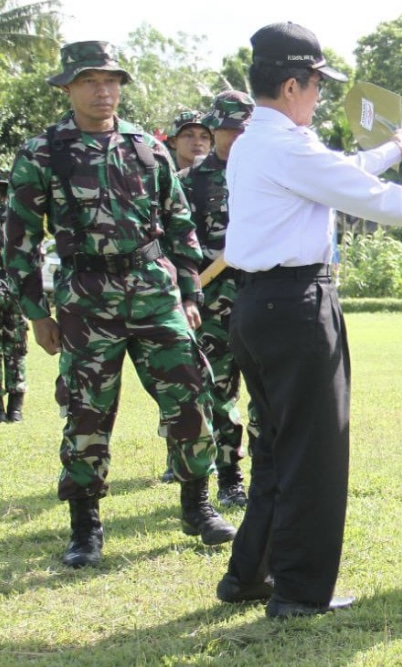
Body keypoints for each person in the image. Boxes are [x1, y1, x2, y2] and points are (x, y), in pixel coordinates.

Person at [214, 22, 402, 618]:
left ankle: (250, 574)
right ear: (293, 85)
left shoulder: (255, 141)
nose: (319, 98)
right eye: (316, 86)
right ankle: (299, 591)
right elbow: (373, 198)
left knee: (276, 449)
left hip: (258, 305)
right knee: (313, 452)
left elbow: (338, 171)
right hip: (295, 306)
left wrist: (393, 151)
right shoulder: (289, 147)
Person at [5, 40, 236, 568]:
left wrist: (190, 292)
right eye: (89, 81)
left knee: (190, 396)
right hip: (86, 299)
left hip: (155, 292)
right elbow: (19, 238)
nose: (103, 91)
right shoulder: (44, 152)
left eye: (110, 80)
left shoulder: (147, 148)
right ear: (67, 88)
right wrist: (36, 313)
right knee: (86, 412)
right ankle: (85, 527)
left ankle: (197, 505)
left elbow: (179, 225)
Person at [178, 90, 256, 507]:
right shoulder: (190, 181)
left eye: (243, 128)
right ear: (214, 129)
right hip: (211, 302)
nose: (236, 136)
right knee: (217, 390)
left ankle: (269, 473)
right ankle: (229, 477)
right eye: (228, 128)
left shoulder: (268, 173)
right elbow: (177, 240)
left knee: (268, 390)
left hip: (263, 295)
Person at [0, 173, 28, 423]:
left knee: (15, 347)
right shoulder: (18, 219)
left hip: (12, 288)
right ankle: (15, 409)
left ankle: (6, 409)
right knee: (16, 348)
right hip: (14, 288)